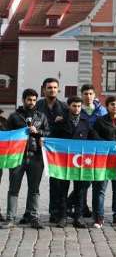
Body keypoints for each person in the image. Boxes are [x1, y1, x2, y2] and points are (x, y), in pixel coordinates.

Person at [1, 89, 50, 229]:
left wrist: (38, 132)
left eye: (34, 100)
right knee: (13, 189)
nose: (32, 102)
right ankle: (10, 218)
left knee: (34, 189)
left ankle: (33, 217)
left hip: (36, 156)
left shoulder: (41, 117)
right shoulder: (14, 117)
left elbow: (48, 132)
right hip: (17, 157)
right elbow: (6, 135)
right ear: (23, 100)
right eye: (29, 99)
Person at [51, 96, 100, 228]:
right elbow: (52, 137)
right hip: (64, 161)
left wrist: (111, 145)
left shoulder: (85, 121)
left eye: (79, 106)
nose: (77, 109)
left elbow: (94, 137)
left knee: (80, 190)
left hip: (80, 161)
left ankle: (78, 217)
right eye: (74, 106)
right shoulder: (61, 121)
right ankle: (62, 217)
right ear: (69, 106)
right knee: (63, 190)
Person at [67, 84, 107, 218]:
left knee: (88, 180)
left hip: (96, 150)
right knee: (81, 179)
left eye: (90, 94)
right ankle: (81, 207)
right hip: (78, 151)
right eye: (85, 94)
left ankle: (73, 204)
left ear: (94, 95)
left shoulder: (102, 111)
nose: (88, 96)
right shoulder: (78, 109)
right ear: (82, 95)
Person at [92, 96, 116, 228]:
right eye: (112, 104)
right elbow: (94, 137)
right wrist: (108, 145)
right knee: (101, 189)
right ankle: (99, 216)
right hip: (104, 159)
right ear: (107, 106)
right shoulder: (100, 121)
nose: (115, 106)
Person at [35, 77, 68, 223]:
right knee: (34, 183)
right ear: (44, 89)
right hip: (37, 148)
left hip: (57, 151)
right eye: (49, 87)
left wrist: (62, 123)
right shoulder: (37, 105)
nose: (52, 90)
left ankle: (56, 213)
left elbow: (69, 128)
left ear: (58, 89)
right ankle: (31, 213)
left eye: (55, 87)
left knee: (58, 183)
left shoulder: (64, 107)